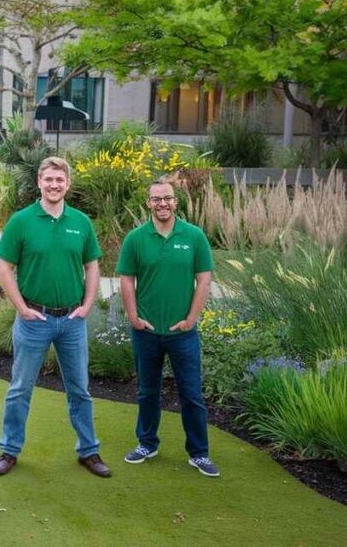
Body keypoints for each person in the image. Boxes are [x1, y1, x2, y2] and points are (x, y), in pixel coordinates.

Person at [0, 157, 112, 478]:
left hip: (72, 320)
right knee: (20, 388)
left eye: (60, 180)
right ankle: (9, 450)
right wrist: (21, 308)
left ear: (67, 184)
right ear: (40, 183)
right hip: (34, 320)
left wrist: (87, 305)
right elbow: (4, 268)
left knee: (80, 390)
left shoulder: (81, 222)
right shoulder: (21, 221)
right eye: (49, 180)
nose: (54, 185)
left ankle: (89, 451)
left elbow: (92, 266)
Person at [117, 180, 219, 477]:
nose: (162, 204)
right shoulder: (135, 239)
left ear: (176, 202)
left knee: (191, 394)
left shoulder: (194, 236)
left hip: (183, 334)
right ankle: (147, 443)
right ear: (148, 203)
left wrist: (191, 319)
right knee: (147, 391)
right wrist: (134, 317)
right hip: (146, 331)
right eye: (156, 199)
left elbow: (204, 280)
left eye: (168, 199)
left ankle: (199, 453)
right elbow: (126, 280)